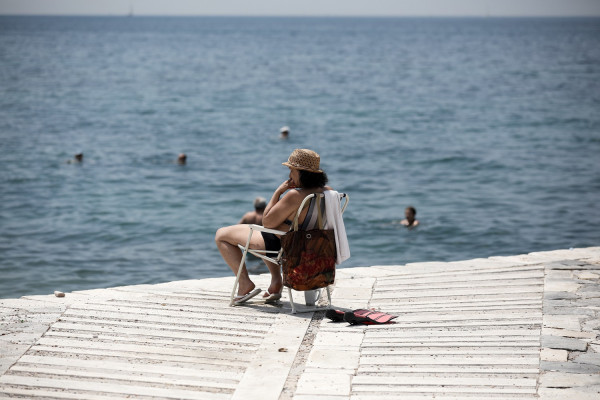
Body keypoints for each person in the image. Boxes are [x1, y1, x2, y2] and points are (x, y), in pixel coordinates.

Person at [215, 148, 332, 304]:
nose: (289, 175)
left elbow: (267, 222)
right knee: (275, 229)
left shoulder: (294, 195)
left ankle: (244, 283)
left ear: (301, 172)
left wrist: (278, 192)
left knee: (221, 235)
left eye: (291, 170)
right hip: (314, 246)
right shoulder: (329, 193)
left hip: (287, 246)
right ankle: (276, 283)